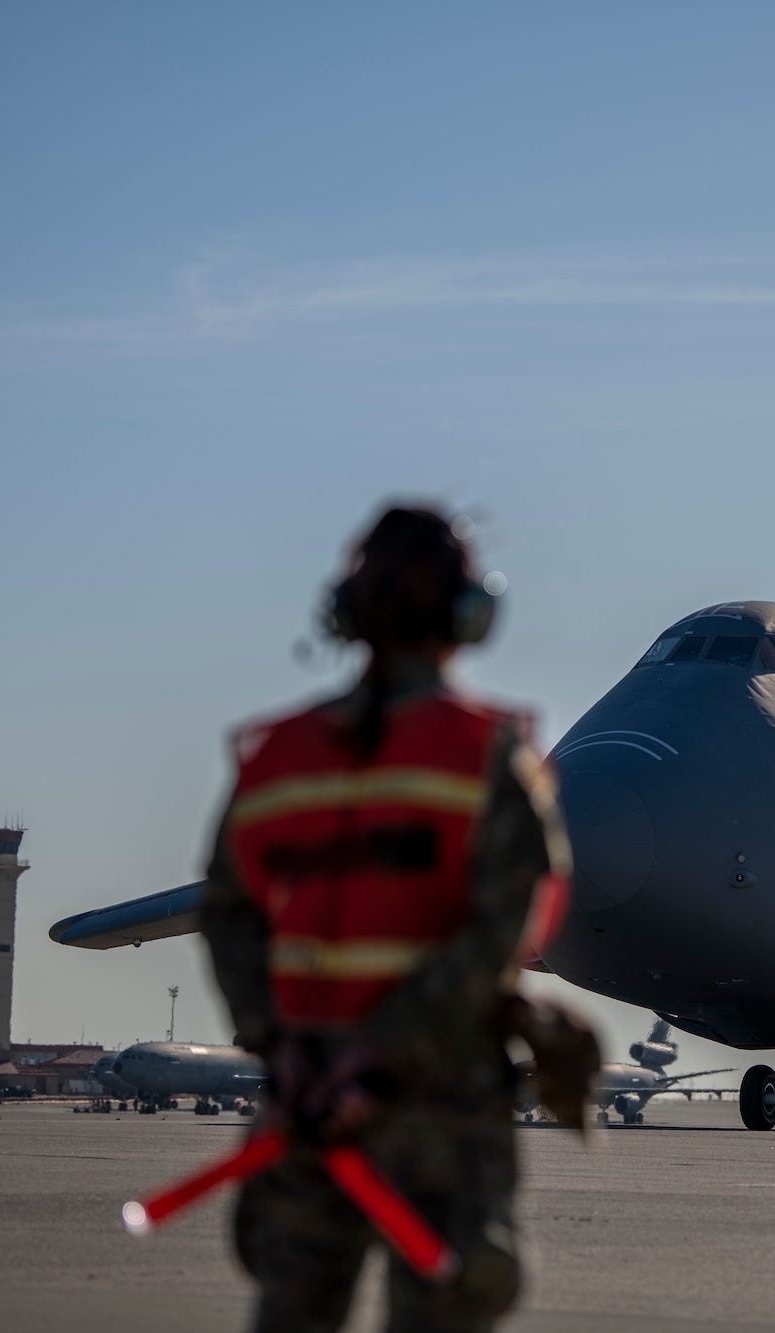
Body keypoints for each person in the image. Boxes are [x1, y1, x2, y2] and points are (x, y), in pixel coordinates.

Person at [200, 505, 575, 1333]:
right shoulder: (489, 757)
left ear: (345, 614)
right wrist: (378, 1057)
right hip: (431, 1104)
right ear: (470, 616)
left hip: (306, 1102)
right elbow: (512, 925)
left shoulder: (276, 758)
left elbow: (227, 909)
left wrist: (282, 1043)